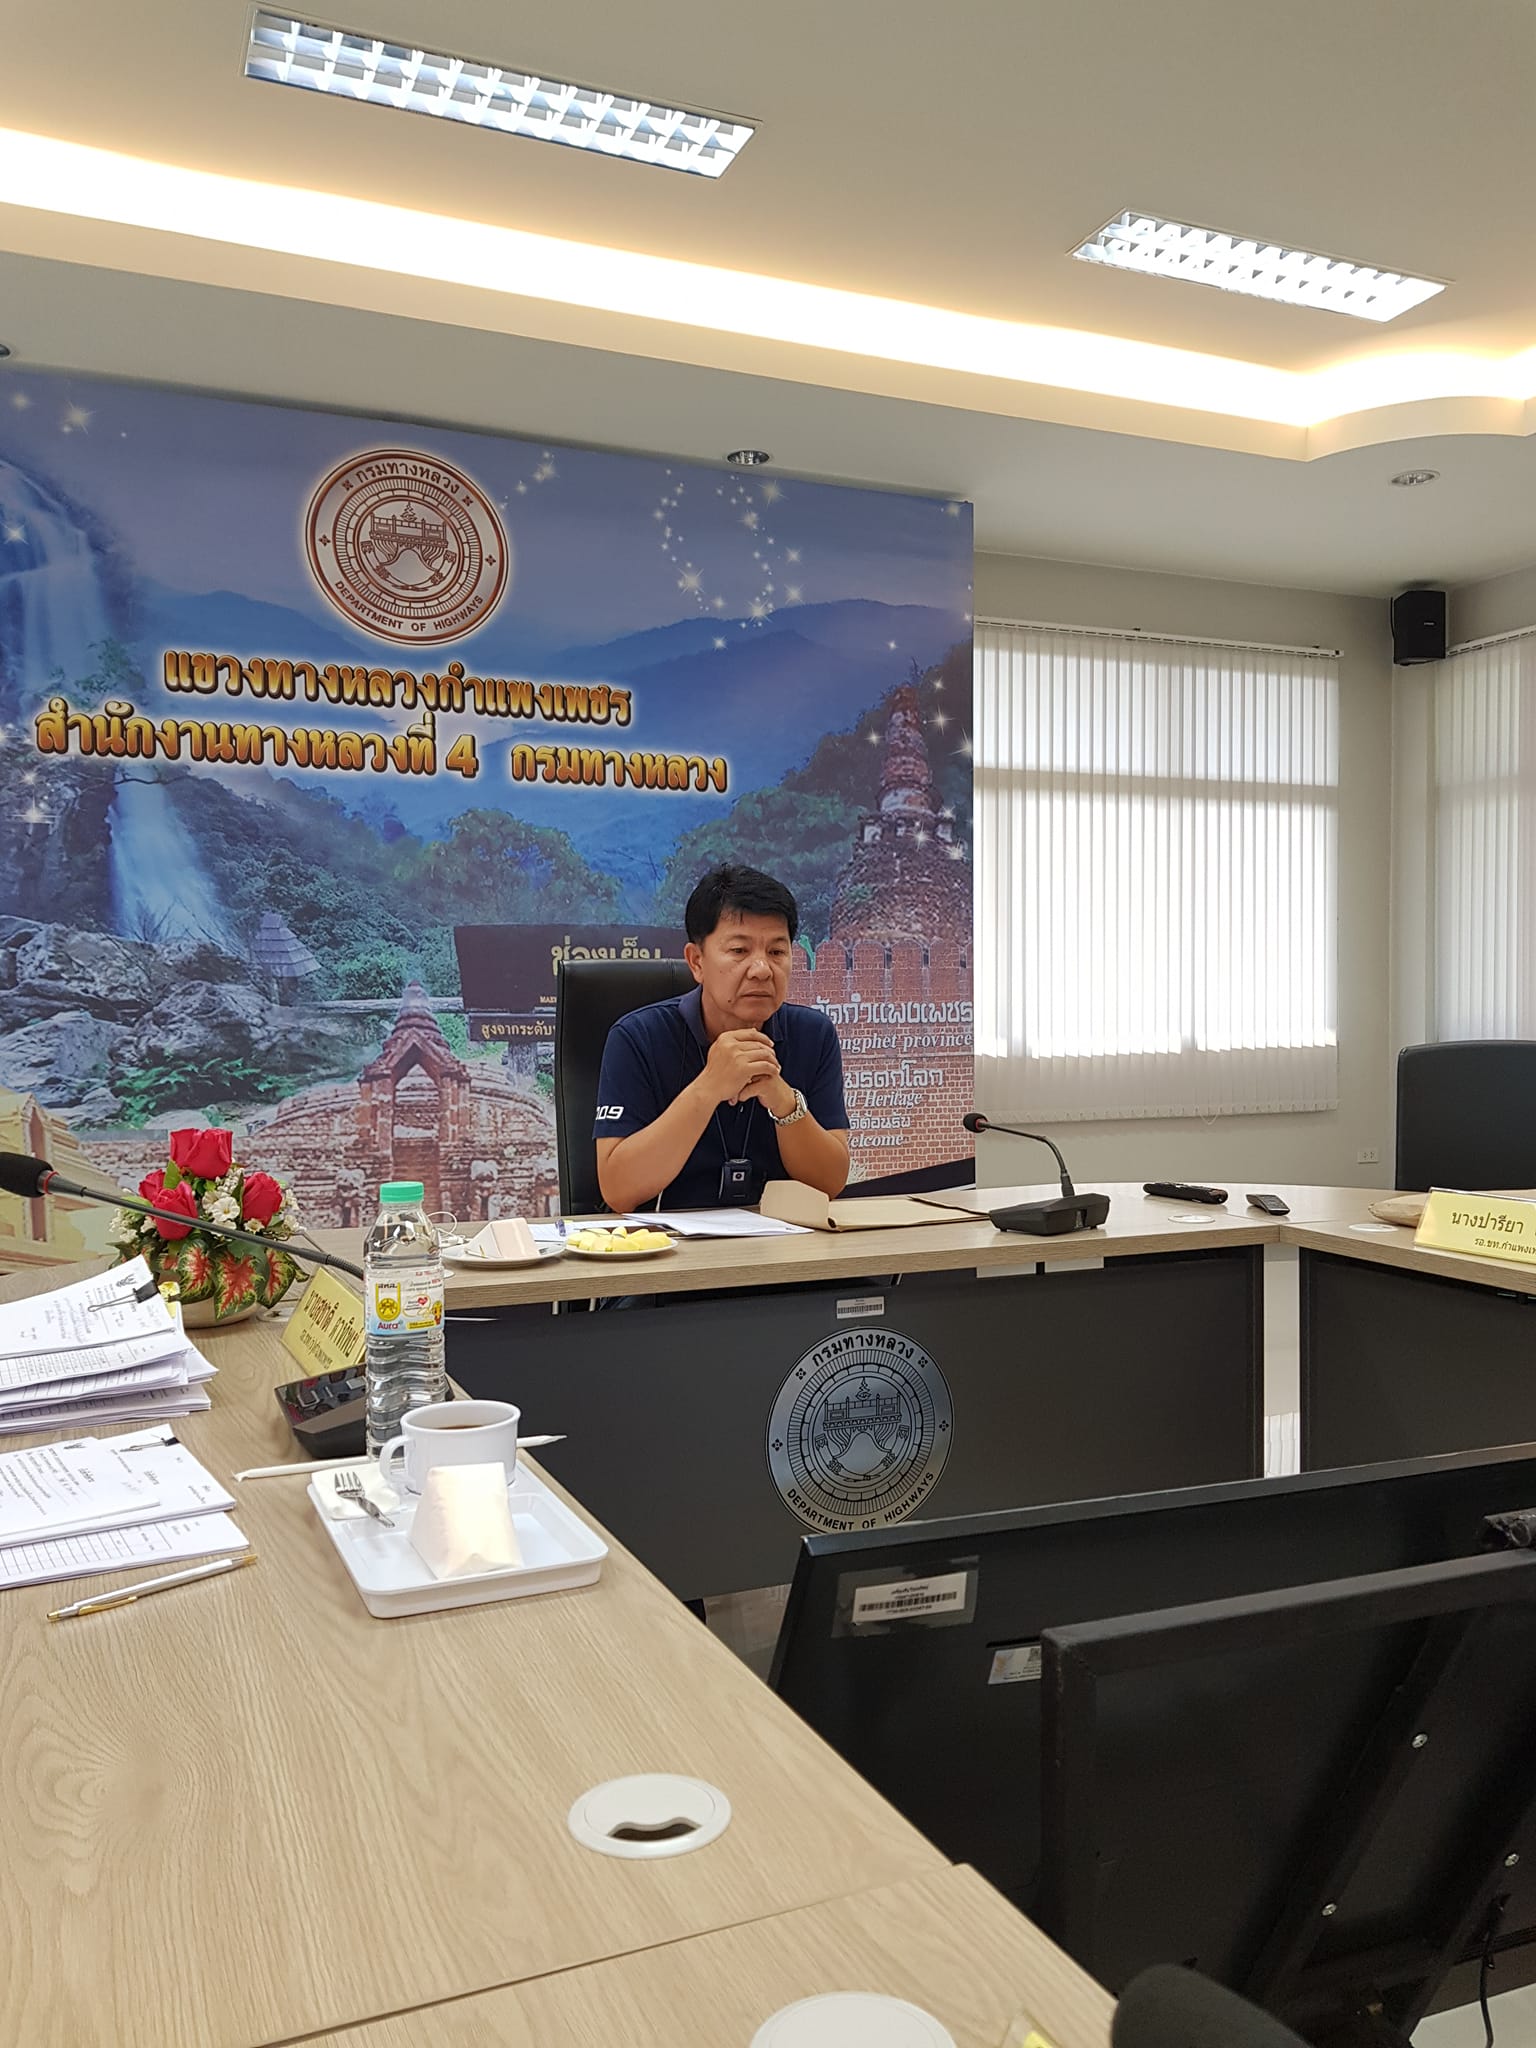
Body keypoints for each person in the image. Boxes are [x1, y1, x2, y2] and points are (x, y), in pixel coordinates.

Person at [594, 864, 850, 1213]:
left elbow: (829, 1183)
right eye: (739, 951)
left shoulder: (813, 1035)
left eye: (777, 952)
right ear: (696, 961)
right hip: (665, 1241)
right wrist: (709, 1087)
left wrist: (783, 1100)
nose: (762, 969)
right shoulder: (637, 1037)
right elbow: (618, 1191)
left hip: (780, 1241)